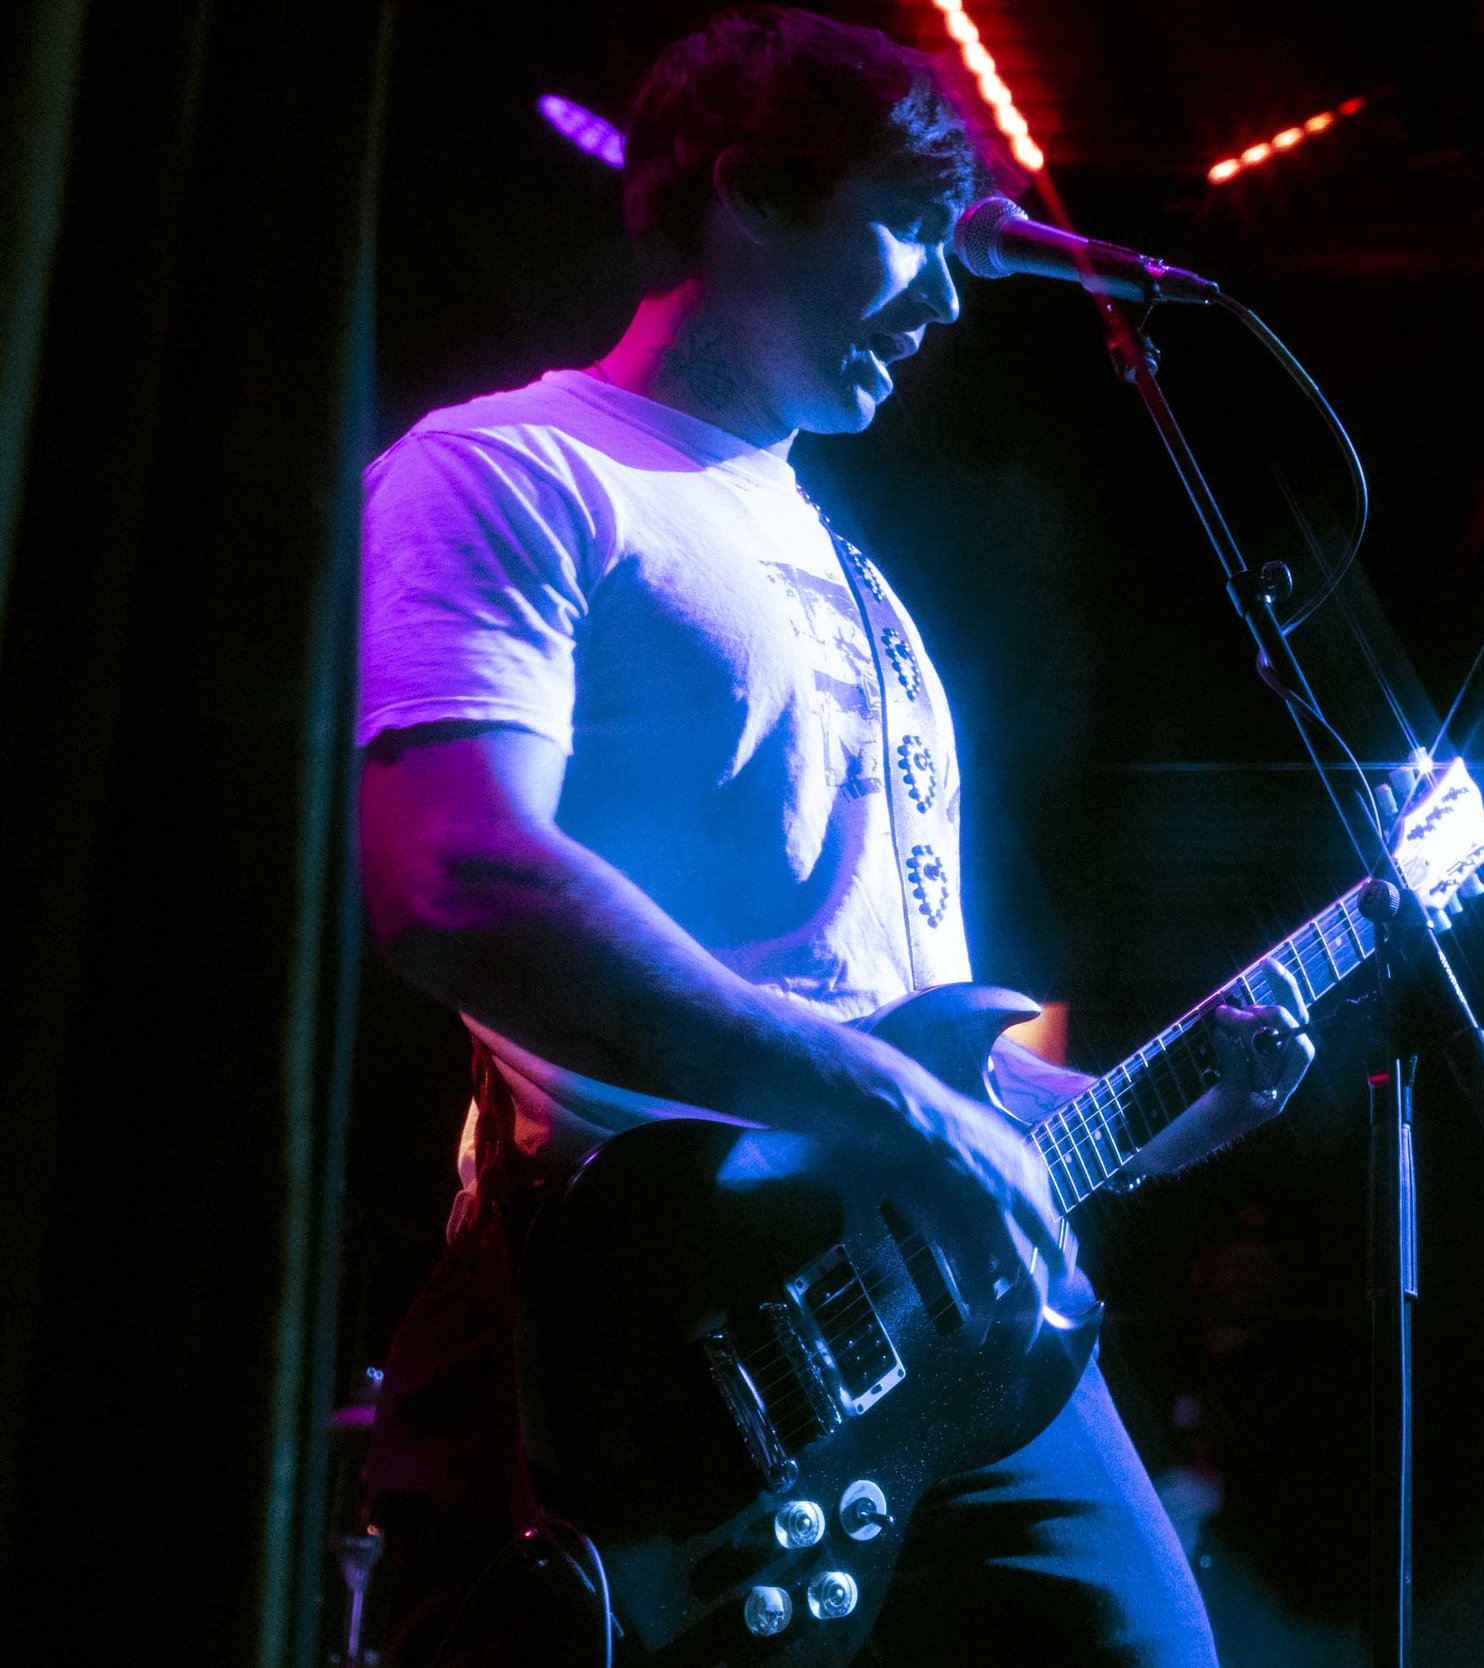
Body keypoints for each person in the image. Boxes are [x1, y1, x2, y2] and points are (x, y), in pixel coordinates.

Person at [356, 10, 1307, 1664]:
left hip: (947, 1318)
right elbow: (453, 874)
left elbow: (903, 1037)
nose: (948, 299)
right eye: (913, 227)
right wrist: (895, 1107)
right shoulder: (515, 468)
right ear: (749, 193)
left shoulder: (870, 592)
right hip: (653, 1324)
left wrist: (1158, 1110)